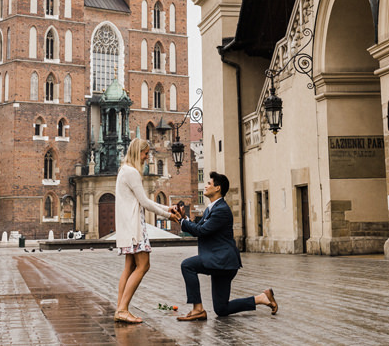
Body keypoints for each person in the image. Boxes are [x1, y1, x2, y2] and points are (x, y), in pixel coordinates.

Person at [172, 171, 278, 321]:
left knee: (188, 266)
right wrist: (184, 218)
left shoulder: (221, 210)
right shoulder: (212, 208)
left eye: (209, 183)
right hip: (219, 261)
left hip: (222, 261)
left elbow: (201, 231)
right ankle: (262, 298)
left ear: (218, 188)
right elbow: (198, 226)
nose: (206, 186)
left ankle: (197, 309)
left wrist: (183, 222)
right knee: (222, 309)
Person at [114, 137, 174, 324]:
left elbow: (143, 199)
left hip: (127, 226)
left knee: (129, 267)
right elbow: (145, 202)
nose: (147, 158)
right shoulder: (131, 172)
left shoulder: (123, 171)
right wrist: (168, 215)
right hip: (134, 227)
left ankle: (120, 309)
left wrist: (166, 209)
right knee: (143, 265)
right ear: (137, 152)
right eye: (145, 153)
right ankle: (123, 309)